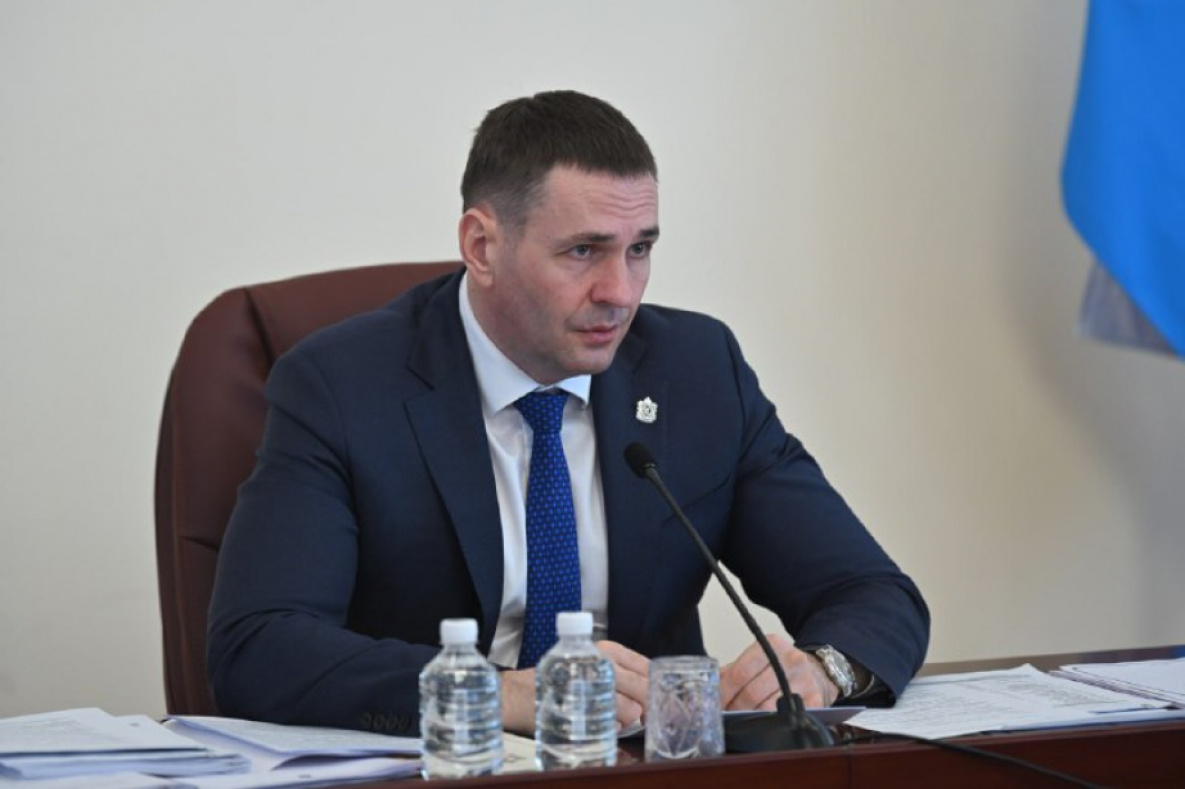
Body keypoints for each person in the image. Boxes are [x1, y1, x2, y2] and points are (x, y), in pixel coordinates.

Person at [207, 90, 929, 736]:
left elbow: (870, 593)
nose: (621, 292)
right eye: (583, 251)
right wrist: (496, 694)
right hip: (446, 767)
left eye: (639, 249)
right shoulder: (341, 385)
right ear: (481, 246)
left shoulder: (696, 372)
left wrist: (824, 668)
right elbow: (259, 646)